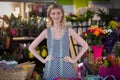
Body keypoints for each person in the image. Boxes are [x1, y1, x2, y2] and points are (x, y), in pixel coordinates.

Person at [28, 3, 88, 80]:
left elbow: (85, 45)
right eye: (53, 13)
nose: (56, 16)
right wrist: (43, 60)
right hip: (51, 68)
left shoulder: (68, 30)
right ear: (49, 15)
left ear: (62, 14)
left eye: (58, 13)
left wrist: (74, 60)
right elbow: (31, 47)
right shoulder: (46, 32)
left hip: (67, 68)